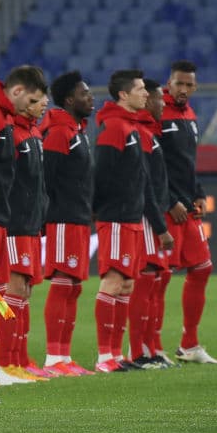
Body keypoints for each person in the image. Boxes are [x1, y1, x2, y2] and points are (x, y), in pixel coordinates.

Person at [0, 66, 50, 386]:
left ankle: (11, 360)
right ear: (18, 92)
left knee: (16, 290)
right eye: (33, 100)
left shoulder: (14, 121)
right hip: (1, 218)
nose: (38, 107)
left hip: (14, 220)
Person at [92, 70, 159, 373]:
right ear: (123, 95)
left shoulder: (131, 126)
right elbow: (102, 173)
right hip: (116, 216)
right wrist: (106, 210)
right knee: (113, 280)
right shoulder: (115, 127)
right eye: (141, 89)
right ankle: (104, 356)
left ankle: (117, 355)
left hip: (131, 216)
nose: (146, 94)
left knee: (127, 284)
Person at [160, 60, 217, 364]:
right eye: (178, 83)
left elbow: (186, 163)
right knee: (158, 277)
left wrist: (197, 193)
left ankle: (189, 345)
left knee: (202, 268)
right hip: (168, 208)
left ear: (195, 87)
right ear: (169, 83)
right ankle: (146, 348)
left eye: (189, 85)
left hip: (187, 206)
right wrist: (169, 201)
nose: (183, 90)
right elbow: (152, 165)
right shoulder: (158, 112)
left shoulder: (189, 115)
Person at [40, 71, 96, 376]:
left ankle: (65, 356)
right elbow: (47, 178)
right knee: (63, 284)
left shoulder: (77, 131)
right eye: (85, 93)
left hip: (78, 218)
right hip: (62, 218)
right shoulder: (60, 133)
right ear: (69, 99)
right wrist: (48, 214)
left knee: (73, 287)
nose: (91, 98)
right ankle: (53, 357)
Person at [3, 71, 50, 380]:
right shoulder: (12, 133)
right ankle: (6, 360)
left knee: (26, 291)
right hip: (14, 224)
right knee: (14, 289)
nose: (41, 106)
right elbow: (7, 183)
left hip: (31, 225)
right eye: (35, 101)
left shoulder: (33, 133)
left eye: (43, 101)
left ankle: (21, 358)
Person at [130, 79, 175, 368]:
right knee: (146, 280)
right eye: (159, 99)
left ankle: (153, 346)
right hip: (146, 218)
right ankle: (139, 351)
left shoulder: (150, 133)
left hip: (155, 215)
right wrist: (159, 225)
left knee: (159, 279)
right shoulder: (143, 134)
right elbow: (145, 185)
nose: (163, 104)